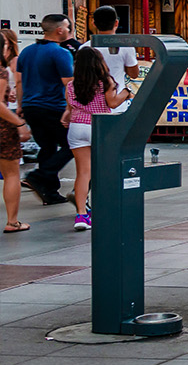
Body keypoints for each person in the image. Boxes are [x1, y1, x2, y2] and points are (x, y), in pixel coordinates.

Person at [64, 48, 131, 231]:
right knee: (103, 171)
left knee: (83, 173)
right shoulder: (106, 82)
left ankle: (81, 215)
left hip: (77, 128)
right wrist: (126, 91)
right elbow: (113, 103)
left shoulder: (71, 85)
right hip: (99, 127)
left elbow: (70, 106)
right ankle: (104, 209)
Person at [20, 14, 75, 206]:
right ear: (59, 30)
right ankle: (39, 175)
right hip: (53, 107)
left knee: (47, 147)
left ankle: (49, 191)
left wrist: (21, 105)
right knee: (72, 144)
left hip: (30, 106)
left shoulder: (26, 52)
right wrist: (71, 108)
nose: (69, 31)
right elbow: (69, 83)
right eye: (68, 27)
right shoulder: (60, 53)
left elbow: (19, 81)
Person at [80, 7, 140, 114]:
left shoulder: (85, 48)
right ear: (116, 23)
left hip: (90, 105)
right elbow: (134, 74)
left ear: (93, 23)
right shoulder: (126, 47)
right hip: (117, 103)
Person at [0, 30, 27, 232]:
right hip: (3, 127)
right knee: (11, 174)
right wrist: (19, 123)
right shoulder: (2, 72)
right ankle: (12, 221)